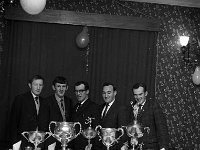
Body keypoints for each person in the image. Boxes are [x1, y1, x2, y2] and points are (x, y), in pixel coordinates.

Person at [126, 82, 169, 150]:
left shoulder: (153, 106)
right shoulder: (131, 107)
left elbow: (162, 128)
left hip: (151, 147)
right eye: (135, 95)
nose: (138, 97)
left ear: (146, 93)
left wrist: (163, 147)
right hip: (135, 146)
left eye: (140, 94)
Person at [9, 75, 45, 150]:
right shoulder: (20, 99)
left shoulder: (44, 101)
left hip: (39, 143)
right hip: (23, 142)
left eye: (40, 85)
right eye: (35, 84)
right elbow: (13, 122)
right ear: (30, 85)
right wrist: (15, 144)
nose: (38, 87)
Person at [39, 76, 73, 150]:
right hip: (51, 142)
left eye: (63, 86)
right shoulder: (46, 102)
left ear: (67, 88)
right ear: (53, 87)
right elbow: (43, 125)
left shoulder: (69, 101)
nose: (61, 89)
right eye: (58, 86)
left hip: (66, 141)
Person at [69, 81, 101, 150]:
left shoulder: (94, 107)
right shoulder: (75, 107)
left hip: (87, 146)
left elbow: (97, 130)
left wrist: (93, 146)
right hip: (74, 146)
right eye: (76, 91)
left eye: (81, 91)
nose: (78, 94)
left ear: (87, 91)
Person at [100, 82, 130, 150]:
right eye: (104, 93)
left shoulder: (121, 108)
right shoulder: (100, 107)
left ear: (115, 93)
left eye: (109, 92)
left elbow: (123, 131)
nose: (106, 95)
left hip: (114, 147)